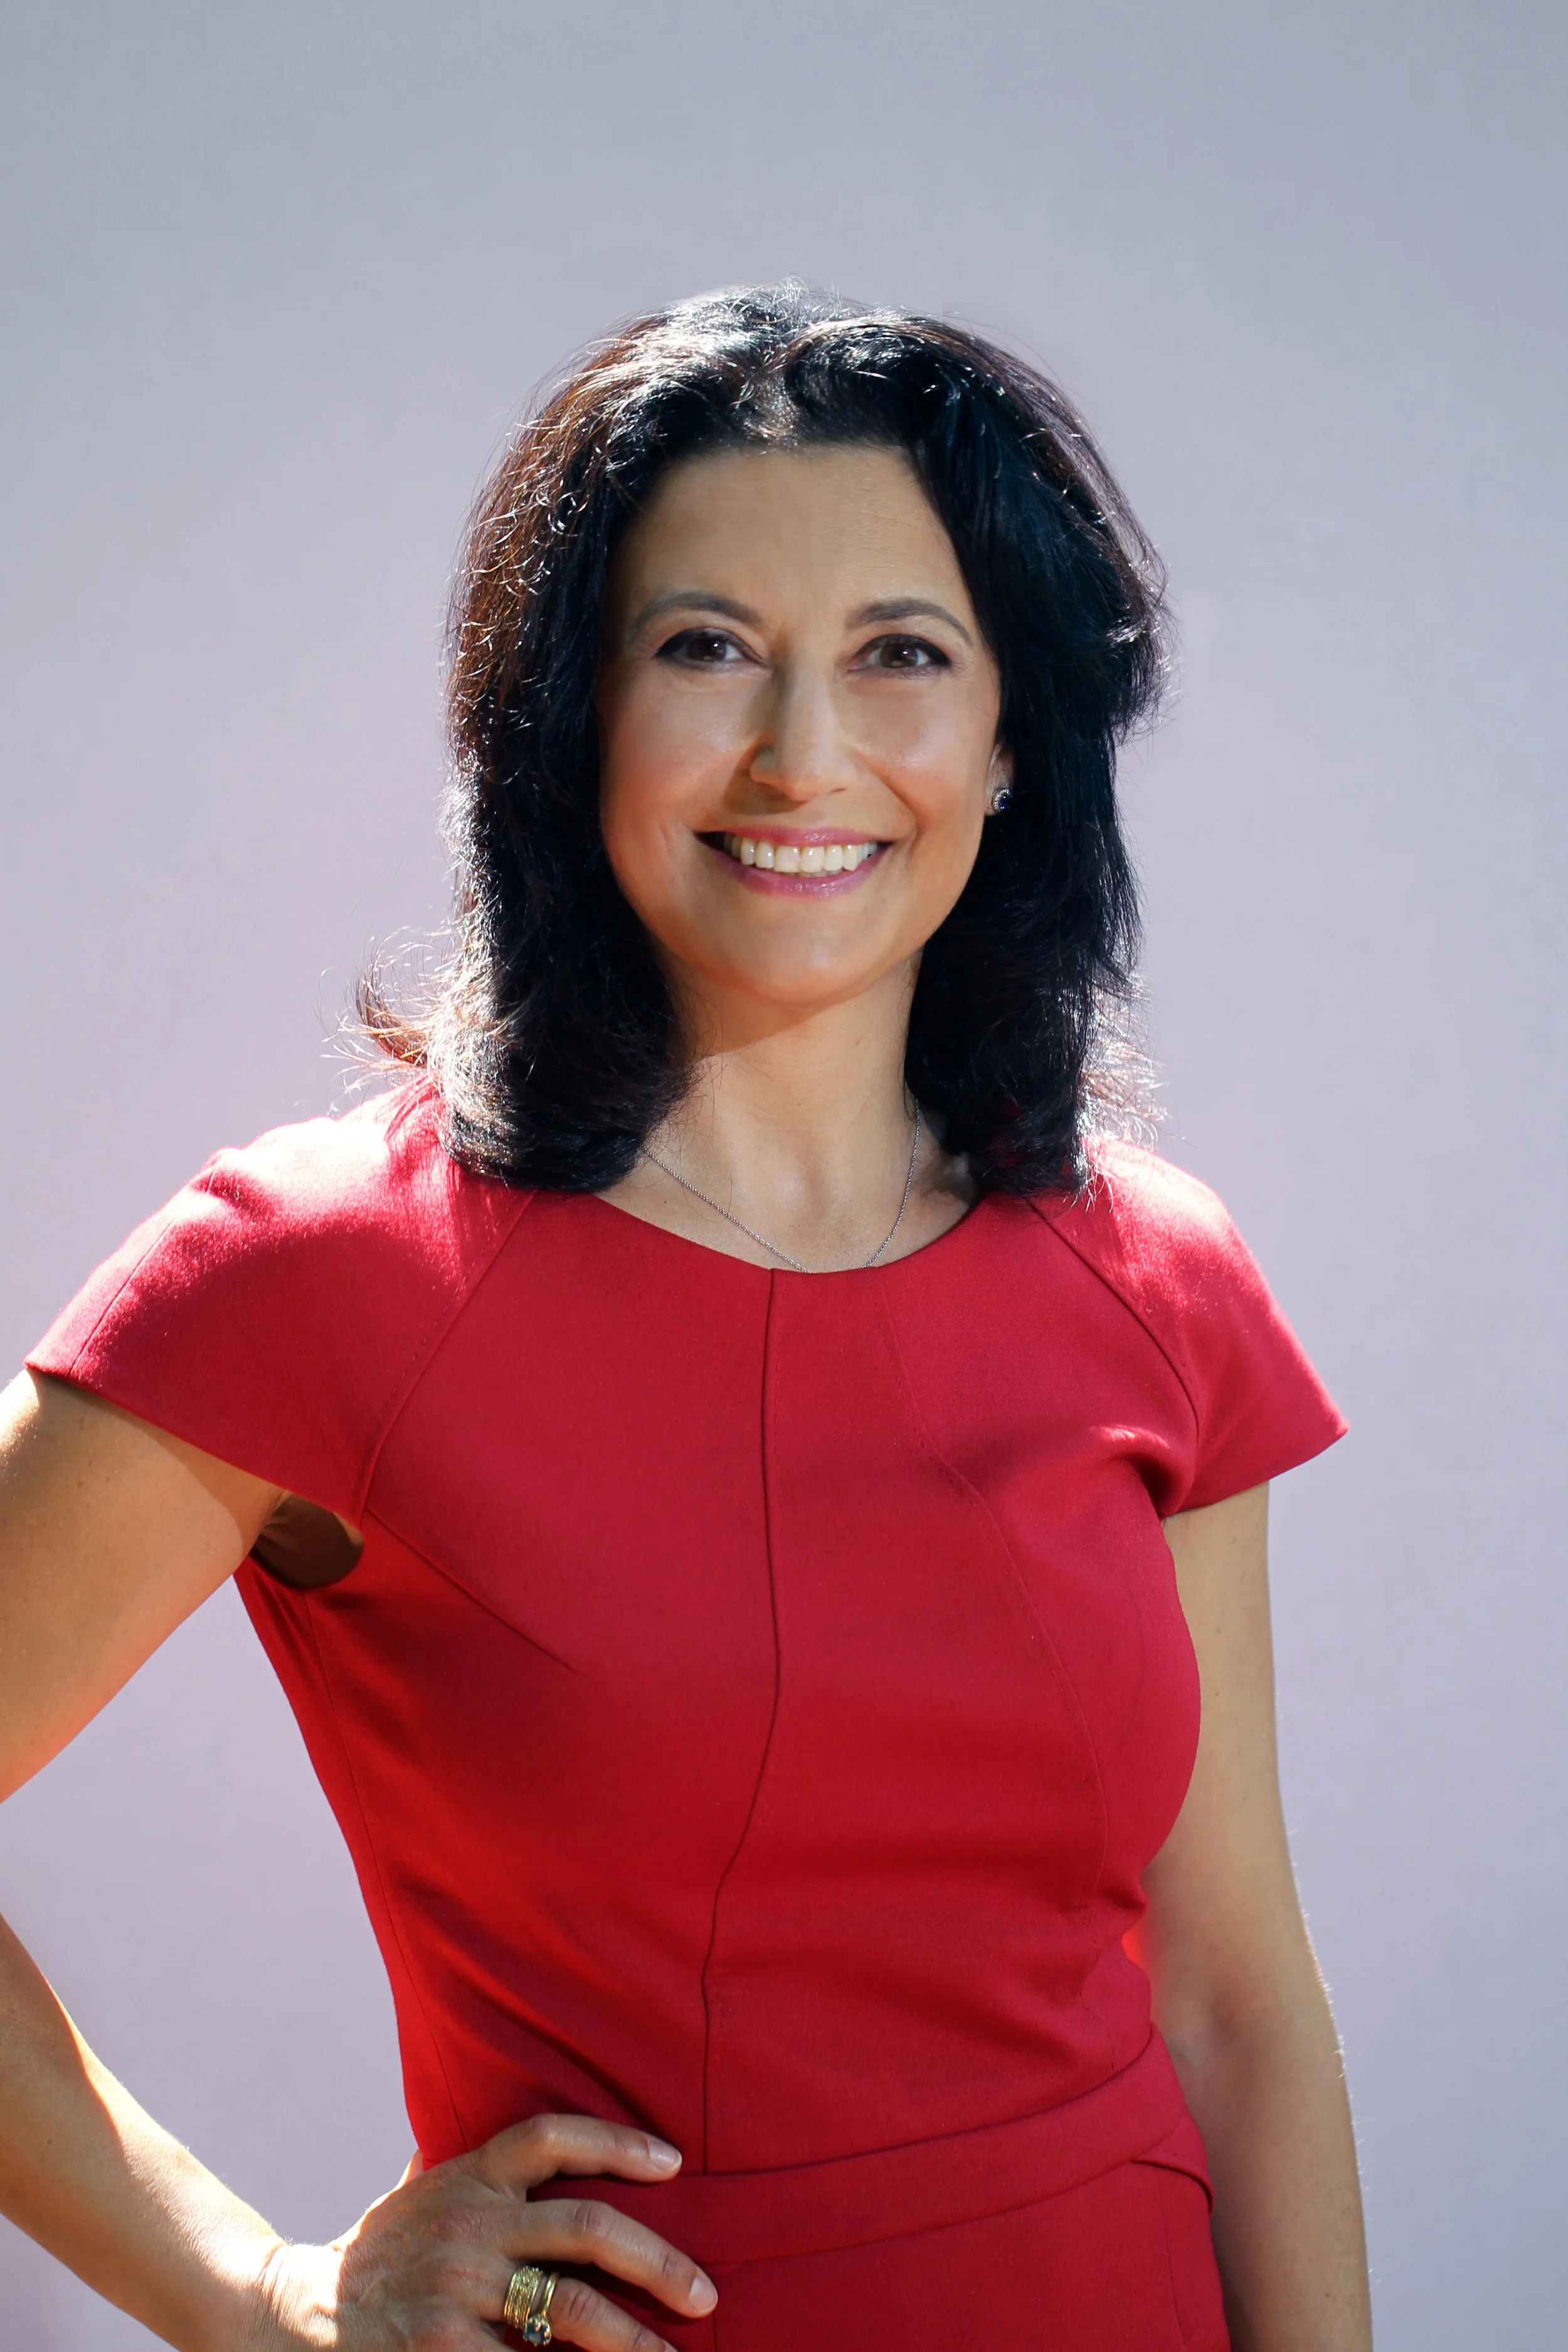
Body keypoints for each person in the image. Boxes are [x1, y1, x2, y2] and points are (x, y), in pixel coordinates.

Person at [0, 285, 1372, 2351]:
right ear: (568, 718)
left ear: (1013, 737)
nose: (800, 753)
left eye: (900, 654)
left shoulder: (1155, 1277)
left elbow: (1234, 1998)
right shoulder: (315, 1279)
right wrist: (253, 2291)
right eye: (705, 647)